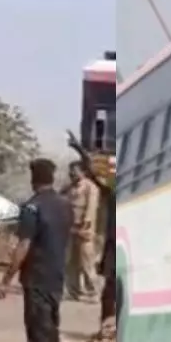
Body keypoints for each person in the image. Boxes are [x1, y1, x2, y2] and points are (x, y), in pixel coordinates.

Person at [0, 158, 72, 342]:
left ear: (33, 179)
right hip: (57, 274)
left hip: (36, 276)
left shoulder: (32, 208)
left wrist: (5, 281)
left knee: (38, 331)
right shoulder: (65, 205)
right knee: (51, 327)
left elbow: (23, 246)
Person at [68, 130, 116, 324]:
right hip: (112, 241)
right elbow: (93, 172)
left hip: (92, 232)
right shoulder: (111, 192)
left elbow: (93, 177)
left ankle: (91, 292)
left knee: (88, 263)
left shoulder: (97, 190)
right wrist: (78, 148)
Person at [63, 161, 100, 302]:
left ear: (83, 172)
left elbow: (91, 208)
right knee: (70, 262)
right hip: (70, 228)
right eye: (71, 171)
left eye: (75, 171)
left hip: (84, 229)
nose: (72, 174)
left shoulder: (91, 188)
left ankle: (93, 292)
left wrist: (86, 224)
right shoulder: (69, 188)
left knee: (87, 262)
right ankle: (73, 291)